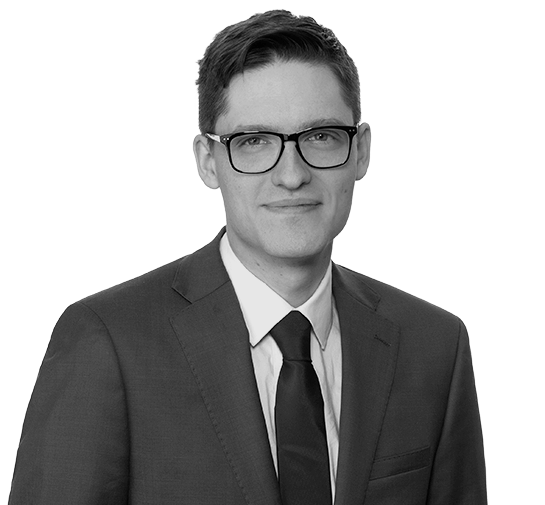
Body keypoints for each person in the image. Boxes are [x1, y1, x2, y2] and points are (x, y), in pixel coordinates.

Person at [9, 9, 486, 505]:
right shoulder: (107, 341)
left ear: (362, 150)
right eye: (254, 142)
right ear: (207, 161)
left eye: (320, 136)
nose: (291, 175)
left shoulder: (434, 346)